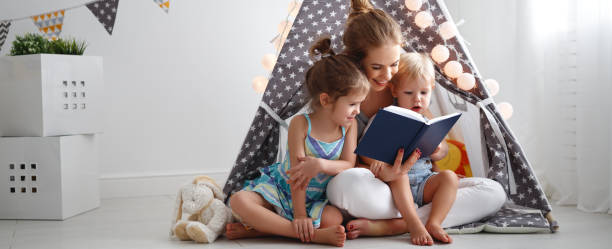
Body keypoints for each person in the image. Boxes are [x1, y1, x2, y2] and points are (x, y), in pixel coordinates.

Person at [325, 0, 507, 246]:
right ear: (357, 61)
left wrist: (439, 149)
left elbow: (431, 136)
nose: (388, 75)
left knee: (493, 192)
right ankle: (411, 219)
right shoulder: (342, 93)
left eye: (393, 64)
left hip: (419, 186)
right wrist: (384, 172)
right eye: (376, 67)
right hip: (378, 189)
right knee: (348, 185)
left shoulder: (403, 87)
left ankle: (398, 225)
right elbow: (343, 162)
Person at [225, 37, 370, 247]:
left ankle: (264, 231)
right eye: (352, 104)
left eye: (360, 104)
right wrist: (300, 215)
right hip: (285, 189)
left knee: (334, 219)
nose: (358, 110)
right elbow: (296, 176)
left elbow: (348, 163)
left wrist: (320, 164)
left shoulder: (349, 125)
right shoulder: (301, 124)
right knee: (239, 201)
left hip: (317, 199)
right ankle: (308, 234)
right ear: (326, 100)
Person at [368, 53, 459, 244]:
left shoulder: (428, 118)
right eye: (409, 93)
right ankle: (413, 222)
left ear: (432, 89)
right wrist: (375, 160)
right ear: (394, 91)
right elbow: (366, 150)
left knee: (450, 177)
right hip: (396, 184)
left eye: (424, 93)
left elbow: (443, 151)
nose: (417, 99)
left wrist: (438, 151)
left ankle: (434, 222)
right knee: (400, 173)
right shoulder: (385, 117)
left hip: (424, 183)